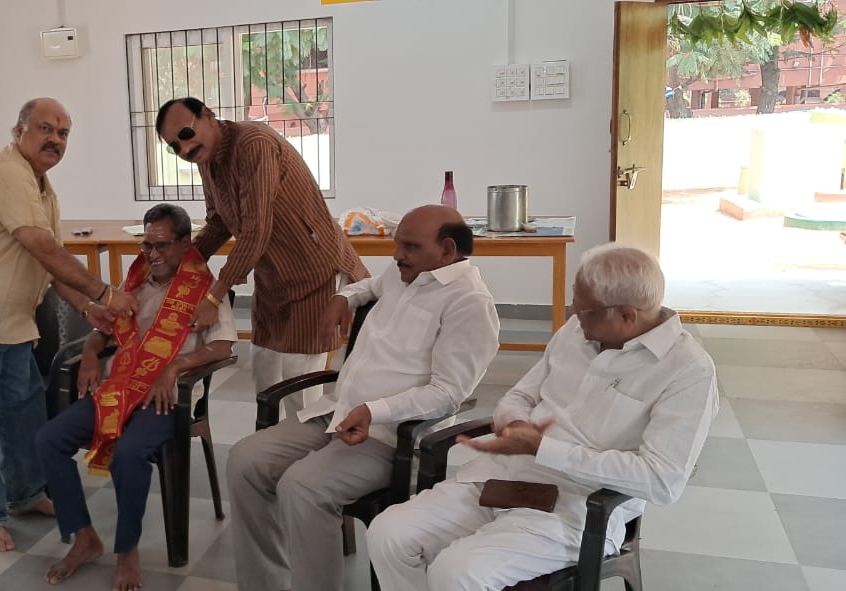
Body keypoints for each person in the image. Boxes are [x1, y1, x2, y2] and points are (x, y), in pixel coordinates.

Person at [366, 243, 720, 591]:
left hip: (577, 505)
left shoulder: (687, 370)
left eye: (583, 310)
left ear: (627, 315)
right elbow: (520, 395)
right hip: (505, 479)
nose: (573, 315)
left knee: (457, 572)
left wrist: (545, 449)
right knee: (388, 535)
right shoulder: (579, 331)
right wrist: (518, 425)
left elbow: (661, 481)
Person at [226, 205, 501, 591]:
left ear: (447, 251)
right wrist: (344, 297)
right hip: (337, 414)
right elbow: (368, 286)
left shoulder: (469, 303)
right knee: (245, 459)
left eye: (409, 246)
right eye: (396, 244)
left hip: (391, 437)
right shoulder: (406, 273)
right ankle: (263, 583)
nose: (396, 255)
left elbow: (448, 394)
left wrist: (375, 410)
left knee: (301, 486)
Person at [0, 97, 139, 553]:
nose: (55, 139)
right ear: (18, 132)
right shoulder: (7, 174)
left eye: (63, 133)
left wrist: (86, 310)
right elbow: (41, 247)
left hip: (10, 324)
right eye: (45, 129)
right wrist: (104, 293)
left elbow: (51, 261)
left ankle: (26, 494)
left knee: (22, 413)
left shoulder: (40, 187)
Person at [35, 204, 238, 591]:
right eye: (147, 246)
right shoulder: (136, 282)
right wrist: (92, 354)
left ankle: (127, 550)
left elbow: (224, 347)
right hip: (119, 389)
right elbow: (106, 330)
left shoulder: (205, 292)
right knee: (48, 439)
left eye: (161, 246)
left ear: (184, 243)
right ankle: (84, 538)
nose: (153, 255)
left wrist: (176, 367)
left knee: (129, 454)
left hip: (166, 399)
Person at [156, 97, 368, 412]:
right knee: (265, 374)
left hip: (314, 271)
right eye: (175, 147)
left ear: (209, 115)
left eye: (185, 135)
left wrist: (214, 297)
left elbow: (256, 228)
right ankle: (266, 453)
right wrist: (179, 261)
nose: (184, 150)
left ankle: (304, 455)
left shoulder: (254, 144)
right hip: (273, 279)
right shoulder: (207, 160)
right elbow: (218, 224)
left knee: (298, 382)